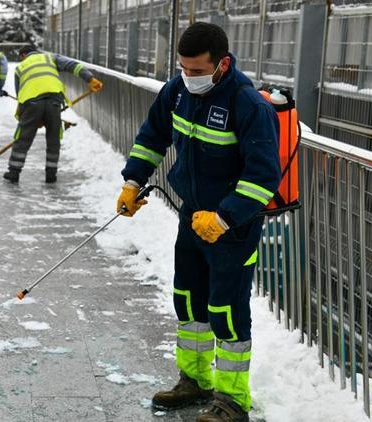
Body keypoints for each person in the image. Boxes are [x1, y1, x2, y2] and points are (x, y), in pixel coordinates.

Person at [116, 22, 280, 422]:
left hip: (233, 226)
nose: (188, 77)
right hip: (192, 214)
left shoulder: (248, 105)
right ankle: (194, 381)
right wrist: (133, 181)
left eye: (197, 70)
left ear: (222, 64)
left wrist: (224, 218)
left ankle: (232, 399)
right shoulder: (177, 92)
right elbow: (152, 136)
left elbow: (264, 177)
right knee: (188, 300)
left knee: (226, 308)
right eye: (183, 68)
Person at [3, 45, 103, 183]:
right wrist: (90, 79)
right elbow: (73, 65)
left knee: (23, 138)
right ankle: (51, 175)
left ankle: (13, 172)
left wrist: (28, 118)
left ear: (23, 56)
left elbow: (21, 95)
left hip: (31, 103)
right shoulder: (50, 57)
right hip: (54, 101)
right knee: (53, 138)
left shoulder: (20, 68)